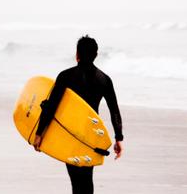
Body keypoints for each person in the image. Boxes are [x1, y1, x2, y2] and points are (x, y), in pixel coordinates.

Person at [33, 35, 124, 194]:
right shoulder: (104, 80)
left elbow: (51, 106)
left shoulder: (66, 76)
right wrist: (118, 138)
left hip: (70, 133)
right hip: (90, 135)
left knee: (76, 179)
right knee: (87, 179)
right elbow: (114, 111)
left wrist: (39, 132)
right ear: (96, 55)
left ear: (77, 54)